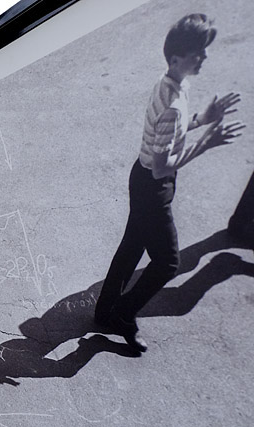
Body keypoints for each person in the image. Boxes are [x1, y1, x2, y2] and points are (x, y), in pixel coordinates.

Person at [94, 13, 244, 352]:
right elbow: (163, 167)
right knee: (168, 263)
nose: (203, 57)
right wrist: (207, 143)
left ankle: (104, 310)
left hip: (142, 176)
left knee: (132, 246)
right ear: (177, 58)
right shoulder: (174, 103)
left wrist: (203, 119)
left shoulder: (171, 83)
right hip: (153, 186)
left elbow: (170, 136)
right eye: (198, 52)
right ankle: (122, 313)